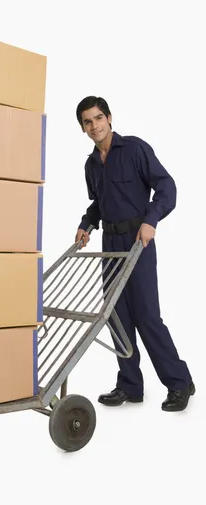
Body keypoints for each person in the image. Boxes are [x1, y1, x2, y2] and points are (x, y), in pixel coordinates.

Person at [75, 95, 194, 412]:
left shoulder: (136, 149)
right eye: (87, 121)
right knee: (115, 315)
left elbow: (166, 186)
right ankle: (130, 385)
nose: (94, 125)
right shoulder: (91, 165)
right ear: (83, 128)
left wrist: (151, 220)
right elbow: (99, 205)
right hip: (110, 246)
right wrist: (87, 224)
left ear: (109, 118)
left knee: (146, 316)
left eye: (98, 117)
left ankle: (179, 383)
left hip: (137, 241)